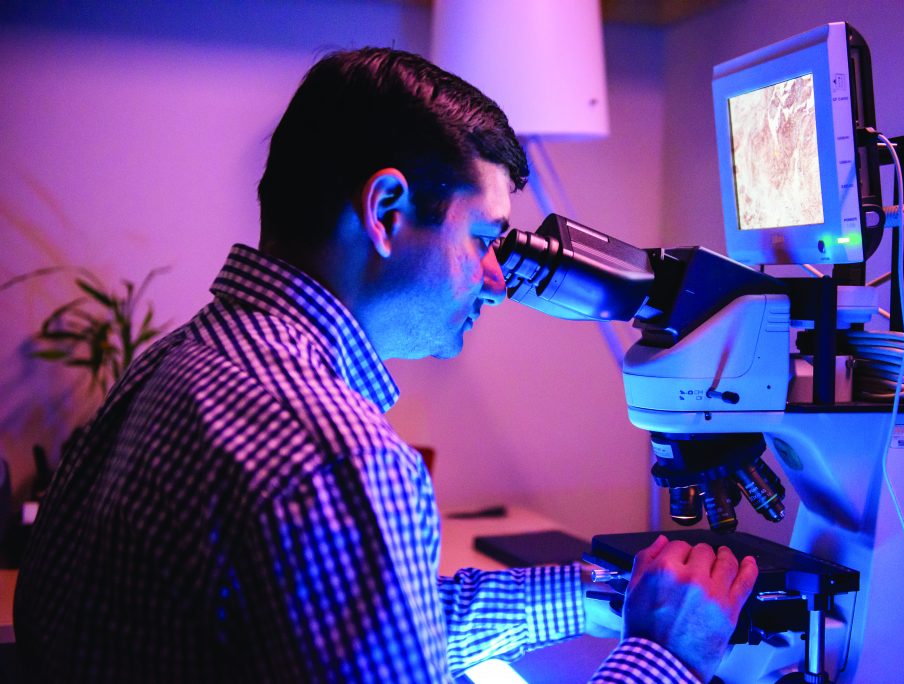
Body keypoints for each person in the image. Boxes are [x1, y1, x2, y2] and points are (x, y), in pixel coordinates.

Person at [14, 48, 757, 683]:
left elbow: (358, 625)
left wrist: (595, 595)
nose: (498, 281)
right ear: (388, 210)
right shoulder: (338, 457)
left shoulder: (170, 368)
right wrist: (663, 655)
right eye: (486, 238)